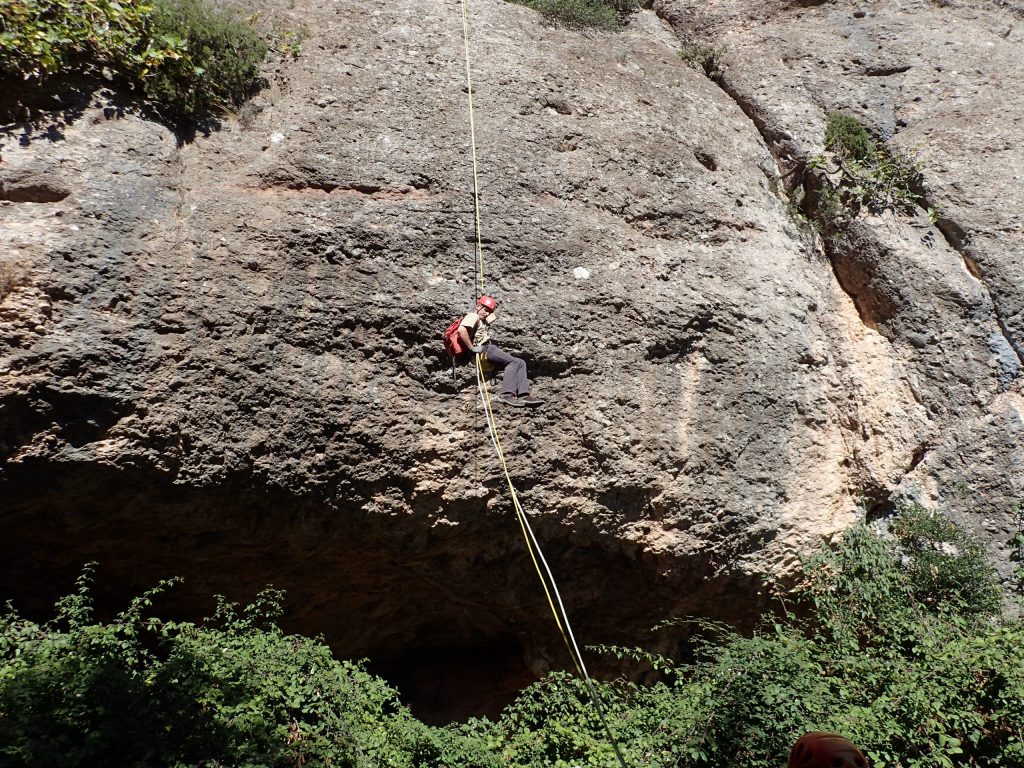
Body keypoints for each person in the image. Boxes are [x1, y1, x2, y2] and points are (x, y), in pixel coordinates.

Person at [457, 295, 542, 407]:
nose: (487, 313)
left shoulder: (481, 320)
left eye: (489, 312)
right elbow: (461, 330)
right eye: (486, 310)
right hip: (485, 349)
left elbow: (478, 332)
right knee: (514, 362)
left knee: (521, 363)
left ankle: (523, 395)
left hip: (485, 350)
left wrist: (487, 323)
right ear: (478, 306)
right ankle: (506, 394)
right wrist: (471, 348)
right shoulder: (473, 315)